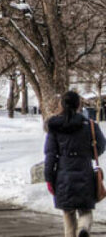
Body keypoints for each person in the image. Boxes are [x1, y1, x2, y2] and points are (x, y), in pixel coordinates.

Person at [45, 90, 106, 237]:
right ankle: (83, 229)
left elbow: (50, 154)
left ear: (62, 104)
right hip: (84, 171)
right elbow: (101, 146)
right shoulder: (89, 125)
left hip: (63, 173)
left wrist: (49, 178)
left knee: (68, 212)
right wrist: (89, 154)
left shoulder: (54, 127)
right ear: (78, 104)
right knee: (85, 210)